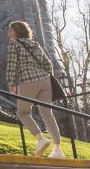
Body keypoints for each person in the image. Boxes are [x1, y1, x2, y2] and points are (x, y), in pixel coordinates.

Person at [6, 20, 64, 158]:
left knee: (22, 112)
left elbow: (11, 65)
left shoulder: (14, 45)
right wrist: (45, 76)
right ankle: (57, 150)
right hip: (45, 81)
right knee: (47, 114)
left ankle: (40, 139)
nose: (9, 33)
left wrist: (11, 83)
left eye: (11, 30)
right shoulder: (35, 44)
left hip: (28, 81)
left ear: (17, 32)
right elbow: (48, 63)